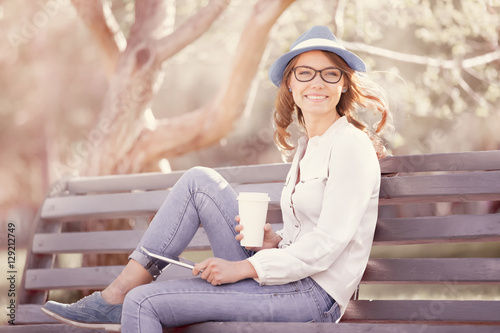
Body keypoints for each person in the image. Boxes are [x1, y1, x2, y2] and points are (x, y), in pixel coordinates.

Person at [42, 25, 390, 332]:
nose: (317, 83)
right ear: (289, 82)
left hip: (312, 296)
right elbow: (307, 235)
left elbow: (327, 245)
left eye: (330, 74)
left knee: (144, 302)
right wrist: (275, 241)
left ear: (343, 84)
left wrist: (243, 268)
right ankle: (115, 295)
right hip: (287, 277)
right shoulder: (308, 146)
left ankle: (117, 299)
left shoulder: (350, 146)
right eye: (305, 73)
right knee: (198, 181)